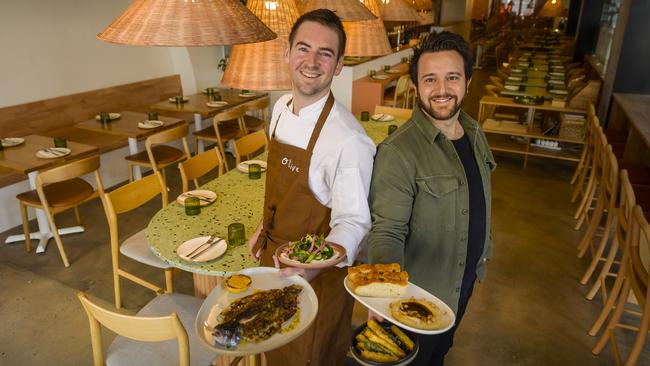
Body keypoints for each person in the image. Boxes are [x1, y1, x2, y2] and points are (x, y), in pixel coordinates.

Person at [248, 9, 376, 366]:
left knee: (307, 356)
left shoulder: (349, 139)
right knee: (270, 348)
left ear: (338, 65)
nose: (312, 61)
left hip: (315, 280)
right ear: (286, 54)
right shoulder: (279, 109)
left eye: (326, 53)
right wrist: (265, 226)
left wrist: (311, 268)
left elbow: (354, 223)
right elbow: (281, 187)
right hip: (271, 263)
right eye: (303, 48)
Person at [367, 31, 496, 365]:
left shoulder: (475, 132)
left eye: (452, 77)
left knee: (439, 354)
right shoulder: (399, 153)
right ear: (416, 88)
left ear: (467, 80)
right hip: (417, 298)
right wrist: (383, 294)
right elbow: (386, 231)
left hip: (462, 284)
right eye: (430, 79)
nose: (441, 90)